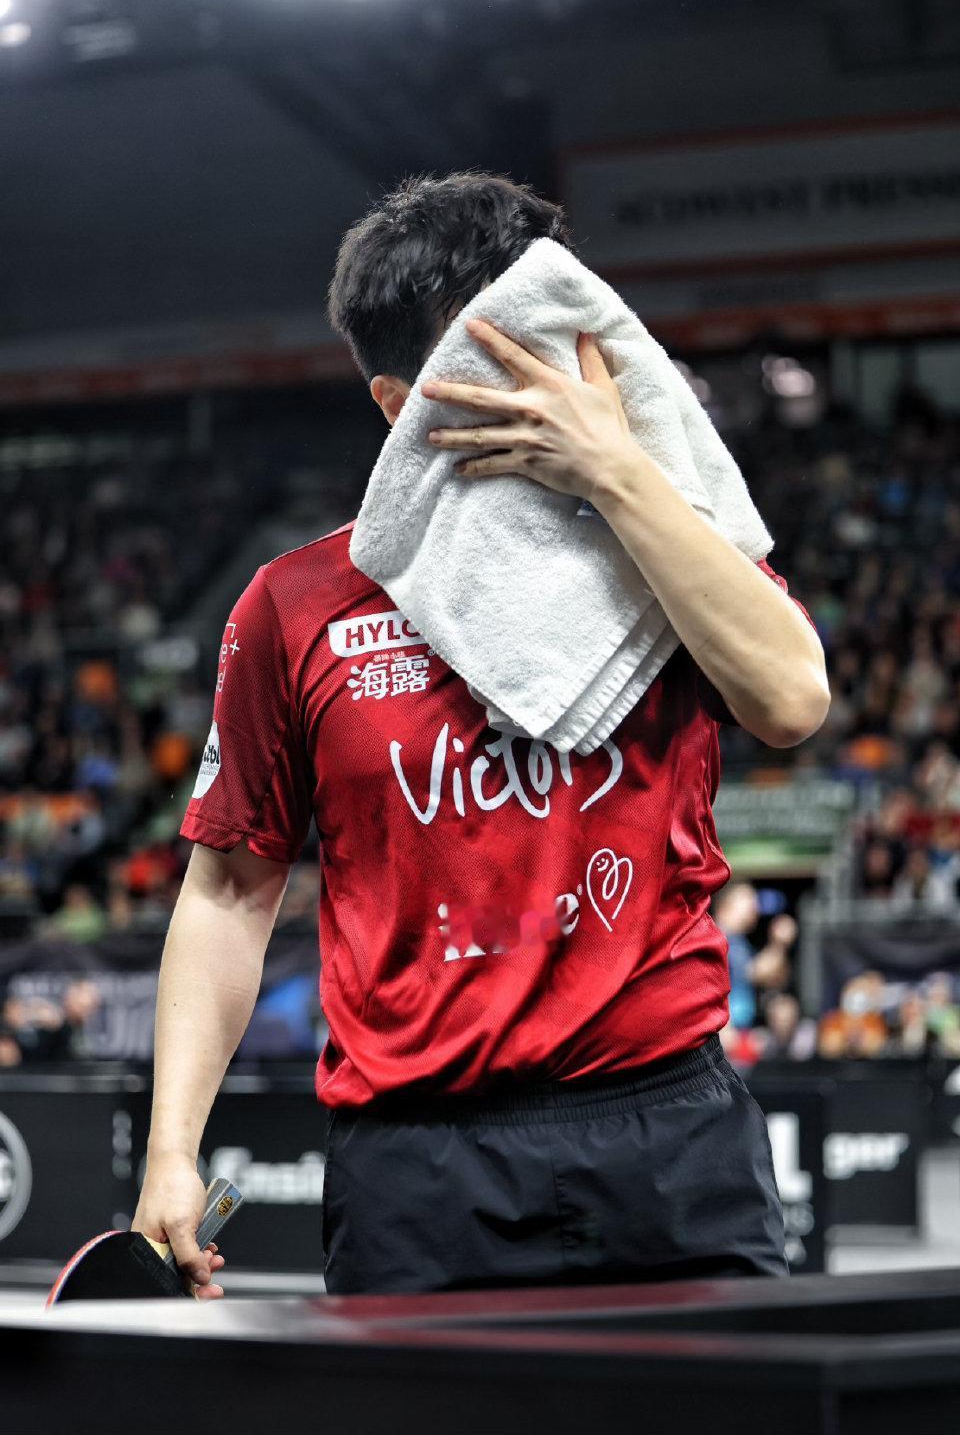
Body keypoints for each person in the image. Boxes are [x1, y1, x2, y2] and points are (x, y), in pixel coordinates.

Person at [133, 171, 830, 1298]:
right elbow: (226, 894)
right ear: (399, 405)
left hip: (668, 1132)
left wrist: (619, 472)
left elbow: (791, 700)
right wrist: (171, 1149)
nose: (543, 395)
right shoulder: (294, 608)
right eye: (495, 367)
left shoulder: (664, 546)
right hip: (417, 1170)